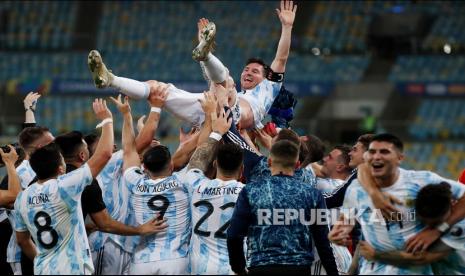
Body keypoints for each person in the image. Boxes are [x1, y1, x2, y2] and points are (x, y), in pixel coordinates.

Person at [87, 0, 296, 130]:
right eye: (247, 69)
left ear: (266, 76)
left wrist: (287, 27)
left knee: (226, 82)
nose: (249, 72)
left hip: (233, 116)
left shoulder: (270, 87)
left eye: (255, 71)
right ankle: (110, 79)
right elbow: (213, 81)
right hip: (206, 113)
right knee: (157, 88)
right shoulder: (235, 91)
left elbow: (281, 58)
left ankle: (205, 54)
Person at [328, 133, 465, 275]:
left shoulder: (422, 182)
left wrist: (437, 230)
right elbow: (347, 220)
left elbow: (421, 258)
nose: (376, 156)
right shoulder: (357, 188)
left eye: (384, 152)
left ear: (400, 158)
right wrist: (340, 231)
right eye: (372, 152)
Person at [113, 94, 220, 274]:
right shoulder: (182, 180)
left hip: (141, 261)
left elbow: (129, 149)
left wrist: (126, 115)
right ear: (171, 165)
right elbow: (202, 151)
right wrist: (210, 115)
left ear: (144, 167)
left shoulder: (134, 181)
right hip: (175, 259)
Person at [12, 99, 115, 274]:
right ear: (61, 167)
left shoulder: (23, 197)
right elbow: (105, 154)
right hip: (72, 268)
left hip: (43, 269)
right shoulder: (65, 186)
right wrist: (107, 119)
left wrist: (39, 259)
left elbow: (22, 240)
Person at [227, 140, 339, 275]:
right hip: (299, 267)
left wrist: (239, 269)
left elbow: (234, 234)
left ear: (269, 162)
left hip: (261, 266)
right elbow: (322, 241)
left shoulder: (251, 191)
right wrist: (333, 272)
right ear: (297, 164)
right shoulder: (312, 194)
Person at [182, 91, 244, 274]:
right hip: (232, 269)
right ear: (242, 171)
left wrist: (217, 133)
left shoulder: (197, 185)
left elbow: (196, 162)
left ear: (215, 164)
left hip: (200, 267)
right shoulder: (249, 194)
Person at [358, 183, 465, 275]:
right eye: (423, 222)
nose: (427, 228)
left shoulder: (460, 227)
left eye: (434, 224)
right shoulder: (422, 203)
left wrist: (375, 255)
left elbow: (421, 258)